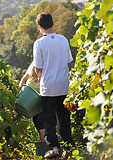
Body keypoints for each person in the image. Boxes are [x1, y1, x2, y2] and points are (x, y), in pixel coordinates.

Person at [33, 12, 74, 159]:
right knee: (64, 117)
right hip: (64, 85)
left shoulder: (39, 43)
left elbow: (38, 68)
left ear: (40, 27)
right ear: (53, 24)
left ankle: (54, 148)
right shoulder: (63, 39)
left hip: (48, 87)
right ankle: (68, 146)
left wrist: (39, 78)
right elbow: (68, 61)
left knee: (49, 118)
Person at [19, 62, 45, 141]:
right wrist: (22, 92)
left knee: (41, 122)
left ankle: (46, 145)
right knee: (37, 123)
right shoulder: (32, 67)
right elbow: (23, 81)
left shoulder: (46, 70)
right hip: (31, 104)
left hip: (42, 102)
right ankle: (43, 145)